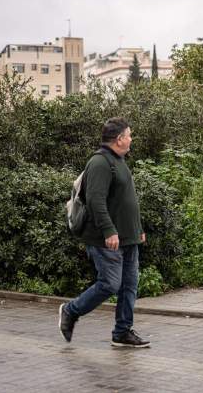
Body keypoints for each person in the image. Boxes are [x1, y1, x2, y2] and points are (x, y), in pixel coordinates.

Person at [58, 117, 150, 348]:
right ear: (119, 139)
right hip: (106, 239)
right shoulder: (99, 163)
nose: (131, 139)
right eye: (129, 135)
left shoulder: (119, 161)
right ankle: (71, 310)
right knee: (110, 284)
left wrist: (137, 229)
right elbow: (95, 200)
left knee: (129, 285)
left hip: (127, 238)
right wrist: (109, 231)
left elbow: (126, 200)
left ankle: (122, 332)